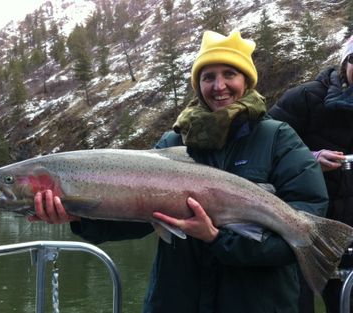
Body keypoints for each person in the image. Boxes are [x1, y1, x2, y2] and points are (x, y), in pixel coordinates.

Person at [29, 30, 328, 313]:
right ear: (198, 85)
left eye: (230, 74)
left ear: (247, 81)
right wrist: (81, 217)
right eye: (208, 77)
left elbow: (305, 215)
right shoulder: (173, 142)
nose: (218, 86)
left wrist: (216, 238)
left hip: (257, 303)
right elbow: (137, 220)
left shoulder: (278, 138)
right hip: (176, 300)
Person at [268, 35, 353, 313]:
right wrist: (310, 158)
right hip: (304, 231)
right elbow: (264, 148)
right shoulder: (304, 98)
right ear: (344, 64)